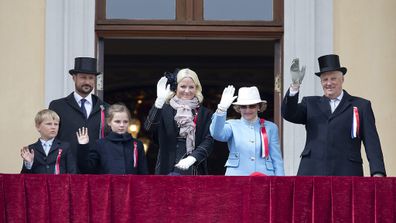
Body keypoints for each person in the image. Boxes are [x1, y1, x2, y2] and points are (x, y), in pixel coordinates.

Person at [281, 54, 386, 176]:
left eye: (333, 78)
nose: (329, 83)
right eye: (325, 79)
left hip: (347, 171)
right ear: (321, 82)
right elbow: (289, 114)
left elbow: (372, 142)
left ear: (342, 79)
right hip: (312, 171)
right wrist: (295, 86)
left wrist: (378, 172)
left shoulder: (361, 106)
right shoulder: (310, 103)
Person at [144, 68, 214, 175]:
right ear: (175, 87)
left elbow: (209, 140)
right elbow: (149, 128)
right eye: (183, 86)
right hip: (166, 166)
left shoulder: (205, 113)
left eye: (191, 87)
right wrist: (158, 104)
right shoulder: (165, 108)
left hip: (193, 168)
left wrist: (193, 158)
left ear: (197, 88)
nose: (187, 90)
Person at [210, 86, 284, 176]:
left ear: (259, 107)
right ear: (239, 108)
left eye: (252, 106)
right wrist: (221, 109)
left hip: (265, 176)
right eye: (243, 106)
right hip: (237, 177)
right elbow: (216, 134)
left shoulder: (271, 127)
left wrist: (281, 183)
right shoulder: (231, 125)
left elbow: (276, 159)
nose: (247, 110)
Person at [49, 57, 106, 173]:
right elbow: (51, 139)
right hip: (65, 171)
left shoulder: (106, 108)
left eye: (91, 78)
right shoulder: (57, 106)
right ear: (74, 78)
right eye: (83, 77)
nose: (87, 82)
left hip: (96, 173)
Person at [76, 103, 148, 174]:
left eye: (125, 122)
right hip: (106, 185)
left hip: (131, 186)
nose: (122, 125)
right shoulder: (99, 144)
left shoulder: (137, 144)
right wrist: (83, 146)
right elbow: (86, 169)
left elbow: (143, 174)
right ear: (109, 122)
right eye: (117, 121)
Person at [20, 109, 77, 174]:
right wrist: (28, 163)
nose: (53, 127)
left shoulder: (65, 147)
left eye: (56, 124)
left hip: (60, 183)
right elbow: (23, 177)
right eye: (49, 124)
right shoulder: (31, 148)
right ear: (38, 127)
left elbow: (72, 172)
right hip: (38, 184)